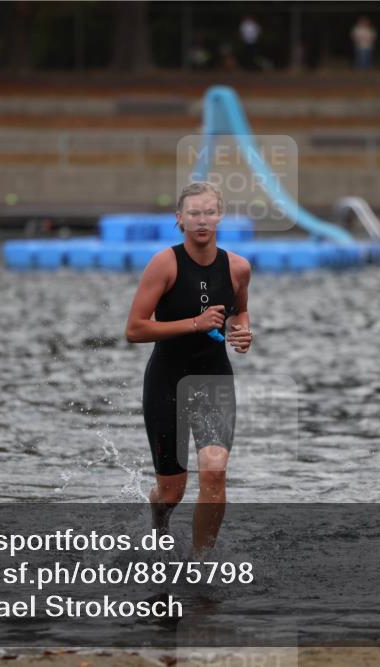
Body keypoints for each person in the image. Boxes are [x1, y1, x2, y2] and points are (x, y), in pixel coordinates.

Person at [125, 181, 253, 557]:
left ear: (220, 216)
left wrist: (242, 331)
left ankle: (200, 563)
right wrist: (195, 324)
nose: (202, 220)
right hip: (167, 380)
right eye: (194, 213)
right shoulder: (164, 263)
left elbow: (240, 311)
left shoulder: (238, 268)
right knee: (172, 491)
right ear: (180, 219)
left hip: (213, 378)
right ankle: (159, 519)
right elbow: (134, 329)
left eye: (209, 212)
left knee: (214, 471)